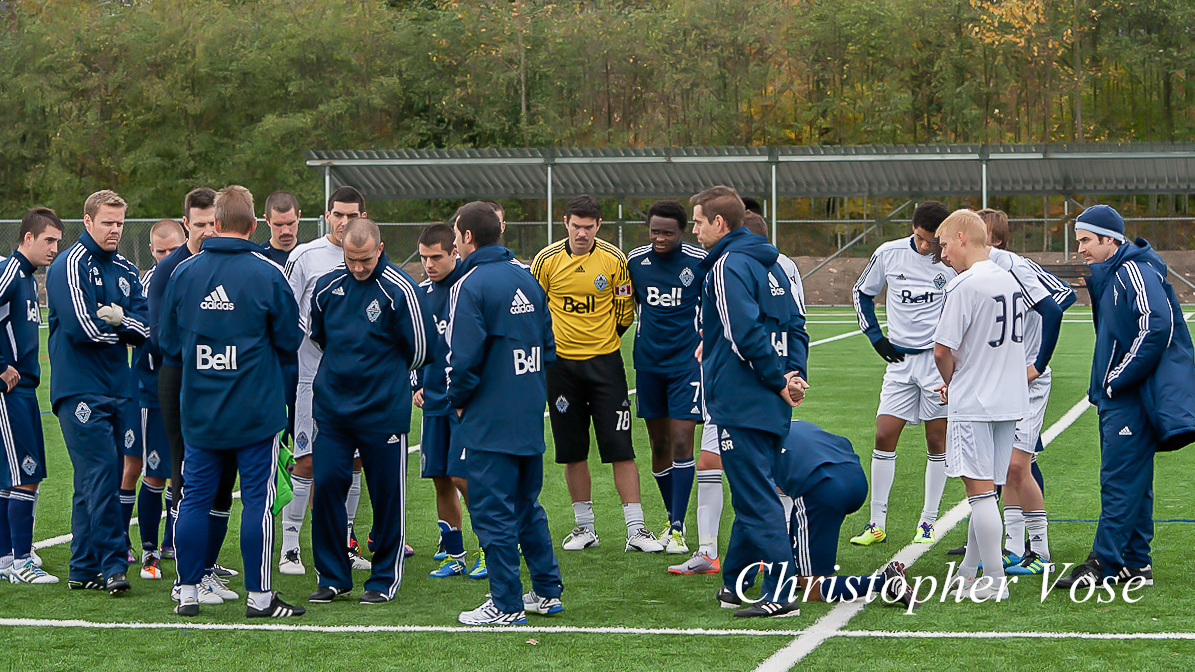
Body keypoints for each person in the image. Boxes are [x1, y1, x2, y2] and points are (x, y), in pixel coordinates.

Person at [160, 185, 304, 618]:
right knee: (257, 501)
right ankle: (260, 598)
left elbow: (167, 342)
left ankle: (186, 591)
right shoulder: (267, 273)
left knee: (194, 499)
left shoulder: (184, 272)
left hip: (200, 410)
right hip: (254, 411)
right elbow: (290, 340)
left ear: (216, 224)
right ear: (255, 225)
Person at [1055, 205, 1195, 590]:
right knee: (1135, 481)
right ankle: (1136, 563)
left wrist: (1118, 378)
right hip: (1120, 395)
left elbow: (1157, 325)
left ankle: (1103, 563)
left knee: (1118, 480)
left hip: (1129, 396)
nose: (1080, 248)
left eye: (1085, 240)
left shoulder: (1135, 269)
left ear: (1109, 239)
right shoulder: (1115, 272)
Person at [694, 185, 808, 618]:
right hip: (771, 399)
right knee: (752, 491)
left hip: (743, 399)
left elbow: (742, 334)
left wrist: (780, 380)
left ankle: (781, 595)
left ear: (719, 223)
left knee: (757, 500)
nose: (696, 231)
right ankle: (735, 586)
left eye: (699, 222)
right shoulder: (776, 265)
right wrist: (795, 375)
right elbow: (797, 325)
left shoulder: (726, 266)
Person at [447, 201, 563, 626]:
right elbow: (549, 349)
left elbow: (462, 360)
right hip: (529, 412)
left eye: (457, 235)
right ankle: (547, 592)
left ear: (468, 238)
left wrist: (458, 398)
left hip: (490, 417)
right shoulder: (526, 277)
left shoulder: (471, 283)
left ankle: (506, 603)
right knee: (525, 505)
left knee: (492, 510)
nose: (455, 242)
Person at [306, 218, 431, 604]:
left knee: (386, 495)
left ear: (379, 249)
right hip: (333, 410)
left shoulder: (400, 290)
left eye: (365, 259)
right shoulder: (327, 287)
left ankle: (383, 579)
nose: (358, 267)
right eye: (351, 258)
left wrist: (382, 377)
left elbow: (420, 350)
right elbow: (320, 336)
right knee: (326, 485)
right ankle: (332, 576)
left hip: (382, 412)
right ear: (341, 248)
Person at [531, 195, 661, 553]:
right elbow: (535, 309)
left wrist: (600, 343)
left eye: (589, 227)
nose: (582, 233)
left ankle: (636, 530)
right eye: (576, 226)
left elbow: (624, 313)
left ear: (599, 226)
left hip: (605, 364)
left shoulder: (614, 260)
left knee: (621, 447)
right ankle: (584, 528)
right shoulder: (546, 260)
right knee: (572, 450)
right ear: (566, 223)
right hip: (560, 368)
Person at [47, 190, 150, 595]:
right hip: (80, 389)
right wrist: (122, 328)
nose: (114, 229)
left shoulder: (125, 267)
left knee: (92, 479)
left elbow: (146, 329)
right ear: (87, 222)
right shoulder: (69, 264)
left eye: (120, 222)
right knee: (102, 474)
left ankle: (82, 567)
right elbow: (81, 328)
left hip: (118, 388)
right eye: (107, 222)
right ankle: (113, 565)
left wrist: (120, 318)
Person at [932, 209, 1029, 601]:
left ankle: (994, 580)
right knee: (989, 489)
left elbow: (942, 351)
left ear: (960, 237)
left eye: (943, 245)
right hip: (1008, 397)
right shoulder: (1009, 277)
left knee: (980, 493)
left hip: (975, 398)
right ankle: (971, 571)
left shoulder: (964, 285)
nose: (942, 255)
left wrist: (951, 380)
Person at [149, 188, 240, 599]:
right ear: (186, 223)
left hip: (222, 382)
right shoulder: (171, 269)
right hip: (180, 380)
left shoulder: (224, 264)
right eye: (198, 223)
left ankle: (204, 569)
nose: (206, 229)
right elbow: (160, 335)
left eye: (211, 223)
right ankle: (183, 576)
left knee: (224, 481)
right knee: (185, 474)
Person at [719, 419, 915, 610]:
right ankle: (794, 571)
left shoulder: (752, 447)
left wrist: (735, 583)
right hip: (854, 478)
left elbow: (753, 517)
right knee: (795, 526)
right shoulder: (794, 424)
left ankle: (883, 581)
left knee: (815, 589)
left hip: (820, 487)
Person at [850, 201, 955, 546]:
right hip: (899, 363)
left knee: (936, 441)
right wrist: (876, 337)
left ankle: (927, 522)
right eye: (921, 239)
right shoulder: (888, 254)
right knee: (883, 435)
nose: (927, 247)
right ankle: (876, 522)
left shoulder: (952, 261)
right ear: (913, 229)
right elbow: (861, 293)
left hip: (937, 363)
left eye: (933, 241)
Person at [980, 209, 1076, 576]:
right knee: (1003, 467)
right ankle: (1012, 547)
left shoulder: (1014, 266)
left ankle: (1042, 553)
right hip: (1001, 381)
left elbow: (1058, 302)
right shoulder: (977, 272)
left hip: (1027, 382)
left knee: (1019, 466)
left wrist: (1036, 360)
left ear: (996, 239)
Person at [280, 185, 370, 575]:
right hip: (311, 379)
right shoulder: (306, 256)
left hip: (358, 383)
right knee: (307, 460)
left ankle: (345, 543)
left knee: (353, 462)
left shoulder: (371, 257)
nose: (344, 222)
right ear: (327, 215)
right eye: (338, 214)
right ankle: (289, 547)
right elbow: (285, 311)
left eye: (352, 215)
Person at [626, 200, 706, 554]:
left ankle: (676, 528)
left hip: (686, 364)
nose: (660, 238)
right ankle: (673, 516)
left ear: (682, 231)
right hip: (647, 365)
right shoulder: (635, 262)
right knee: (657, 444)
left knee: (681, 440)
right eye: (655, 231)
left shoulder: (700, 262)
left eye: (667, 233)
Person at [414, 223, 486, 579]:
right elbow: (413, 344)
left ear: (454, 253)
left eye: (436, 257)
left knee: (464, 477)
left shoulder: (470, 287)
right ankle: (454, 553)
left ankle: (490, 547)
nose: (429, 264)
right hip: (433, 402)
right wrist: (416, 383)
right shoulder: (421, 294)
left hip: (463, 401)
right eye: (424, 257)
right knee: (441, 477)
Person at [0, 208, 63, 585]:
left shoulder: (26, 278)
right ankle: (22, 561)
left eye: (58, 241)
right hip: (9, 394)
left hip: (24, 392)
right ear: (27, 239)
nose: (55, 248)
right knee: (25, 476)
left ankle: (8, 557)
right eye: (49, 241)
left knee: (14, 477)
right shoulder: (9, 271)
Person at [133, 218, 186, 580]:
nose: (167, 256)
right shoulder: (150, 282)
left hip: (193, 389)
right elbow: (149, 336)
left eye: (173, 249)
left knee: (184, 473)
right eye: (161, 251)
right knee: (155, 473)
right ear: (152, 252)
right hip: (155, 390)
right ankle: (149, 552)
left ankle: (175, 544)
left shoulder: (196, 273)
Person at [261, 191, 303, 266]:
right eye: (278, 225)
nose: (285, 231)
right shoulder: (259, 257)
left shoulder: (309, 256)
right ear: (267, 220)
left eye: (290, 223)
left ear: (298, 216)